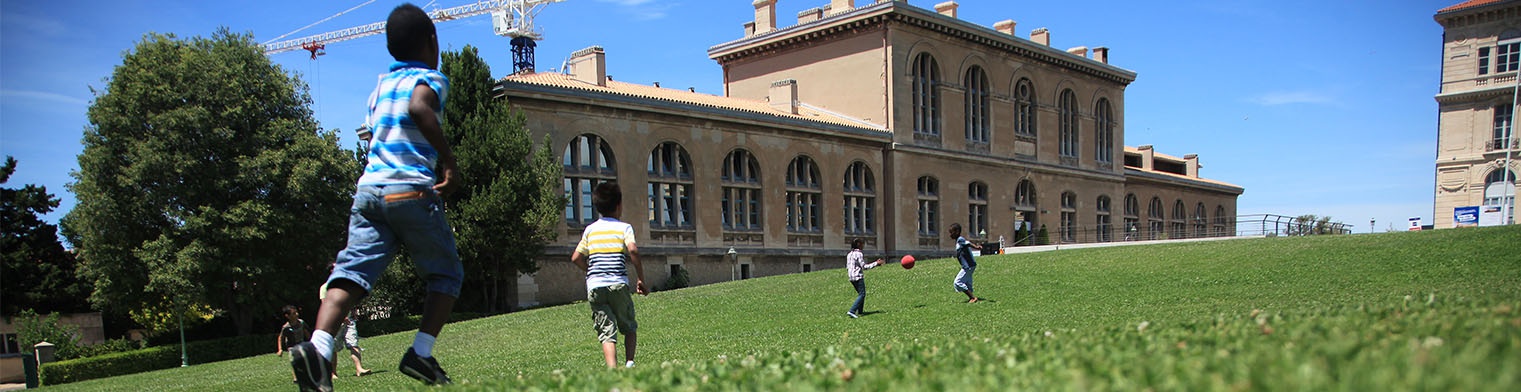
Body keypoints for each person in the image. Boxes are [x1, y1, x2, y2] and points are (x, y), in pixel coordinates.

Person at [288, 4, 462, 391]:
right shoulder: (431, 77)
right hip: (411, 188)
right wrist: (448, 162)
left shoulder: (378, 88)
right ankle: (421, 352)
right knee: (446, 273)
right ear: (432, 40)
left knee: (350, 274)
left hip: (368, 191)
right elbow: (419, 107)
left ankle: (317, 350)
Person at [570, 182, 648, 369]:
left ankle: (612, 369)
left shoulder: (590, 230)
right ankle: (629, 362)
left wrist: (590, 271)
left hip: (595, 286)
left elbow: (575, 257)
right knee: (628, 325)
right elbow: (633, 251)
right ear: (619, 205)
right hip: (617, 283)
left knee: (606, 331)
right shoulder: (624, 228)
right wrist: (641, 279)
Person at [845, 238, 884, 318]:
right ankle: (852, 311)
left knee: (860, 294)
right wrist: (876, 263)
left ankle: (860, 311)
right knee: (862, 294)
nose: (863, 245)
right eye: (862, 243)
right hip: (858, 276)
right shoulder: (859, 254)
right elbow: (864, 267)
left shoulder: (849, 254)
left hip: (851, 277)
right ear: (858, 244)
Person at [948, 223, 982, 303]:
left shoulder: (960, 240)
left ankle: (973, 298)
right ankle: (971, 297)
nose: (950, 235)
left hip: (968, 266)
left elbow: (968, 243)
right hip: (970, 265)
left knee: (957, 282)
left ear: (957, 232)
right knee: (967, 282)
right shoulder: (958, 241)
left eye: (951, 232)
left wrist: (976, 247)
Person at [276, 305, 310, 383]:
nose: (297, 314)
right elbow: (281, 337)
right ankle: (296, 378)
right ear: (287, 316)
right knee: (295, 361)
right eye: (294, 313)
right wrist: (280, 349)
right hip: (292, 346)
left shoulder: (301, 322)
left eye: (296, 312)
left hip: (301, 344)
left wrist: (310, 341)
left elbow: (306, 332)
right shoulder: (286, 327)